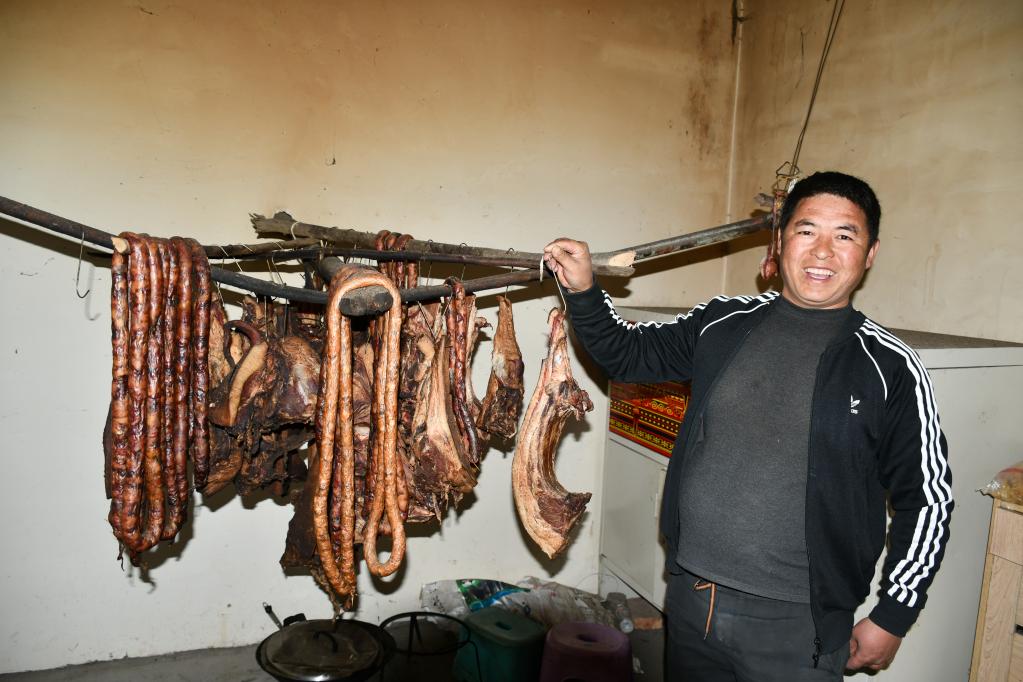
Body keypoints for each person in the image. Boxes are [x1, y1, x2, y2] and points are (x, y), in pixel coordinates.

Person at [543, 172, 953, 681]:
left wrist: (893, 615)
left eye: (844, 235)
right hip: (694, 600)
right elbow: (627, 355)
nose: (822, 251)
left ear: (869, 254)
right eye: (806, 231)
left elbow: (928, 500)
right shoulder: (722, 322)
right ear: (780, 242)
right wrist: (584, 290)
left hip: (800, 625)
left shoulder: (889, 366)